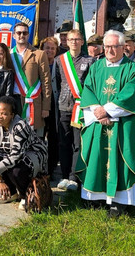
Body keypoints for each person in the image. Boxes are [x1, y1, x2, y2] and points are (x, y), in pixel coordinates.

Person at [75, 30, 135, 217]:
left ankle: (119, 202)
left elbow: (131, 95)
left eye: (114, 46)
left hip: (122, 124)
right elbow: (88, 90)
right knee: (97, 158)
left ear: (122, 47)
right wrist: (98, 113)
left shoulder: (132, 69)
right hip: (99, 122)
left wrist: (107, 110)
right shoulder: (96, 67)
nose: (110, 50)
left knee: (121, 158)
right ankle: (96, 197)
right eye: (107, 46)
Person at [0, 96, 49, 211]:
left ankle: (24, 195)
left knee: (17, 169)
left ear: (12, 115)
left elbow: (16, 157)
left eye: (4, 114)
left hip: (32, 153)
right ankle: (10, 193)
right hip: (7, 154)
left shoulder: (20, 126)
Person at [54, 29, 94, 191]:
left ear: (82, 42)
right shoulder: (59, 60)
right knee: (64, 143)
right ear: (67, 41)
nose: (74, 42)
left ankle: (74, 177)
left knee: (78, 144)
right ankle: (64, 175)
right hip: (64, 107)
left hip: (81, 108)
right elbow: (56, 83)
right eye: (71, 39)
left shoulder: (90, 61)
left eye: (77, 39)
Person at [9, 22, 52, 136]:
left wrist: (46, 107)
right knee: (15, 135)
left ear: (28, 35)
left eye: (25, 33)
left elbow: (46, 81)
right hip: (14, 100)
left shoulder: (39, 54)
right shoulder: (9, 54)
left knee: (34, 137)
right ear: (14, 35)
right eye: (19, 32)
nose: (21, 35)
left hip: (33, 101)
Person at [39, 36, 60, 177]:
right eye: (47, 48)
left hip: (55, 106)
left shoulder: (60, 64)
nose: (50, 51)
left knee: (53, 138)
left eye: (53, 48)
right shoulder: (37, 63)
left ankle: (51, 169)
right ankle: (38, 166)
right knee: (39, 137)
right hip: (39, 105)